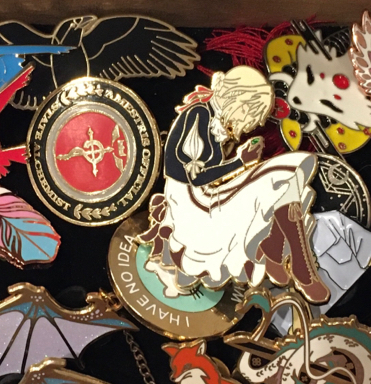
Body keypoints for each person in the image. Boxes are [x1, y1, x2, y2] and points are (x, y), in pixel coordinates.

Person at [140, 66, 330, 304]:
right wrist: (240, 162)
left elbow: (209, 175)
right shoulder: (198, 114)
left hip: (206, 196)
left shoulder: (212, 120)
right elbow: (195, 177)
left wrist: (240, 163)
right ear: (241, 101)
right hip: (191, 209)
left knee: (288, 175)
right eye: (251, 116)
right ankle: (293, 264)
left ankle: (288, 259)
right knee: (281, 177)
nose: (248, 125)